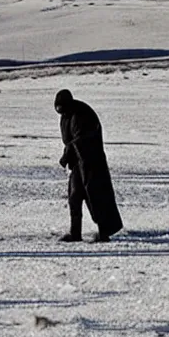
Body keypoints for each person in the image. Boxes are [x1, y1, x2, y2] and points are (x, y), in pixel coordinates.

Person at [54, 89, 123, 242]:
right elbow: (70, 140)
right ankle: (75, 233)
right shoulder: (67, 115)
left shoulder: (81, 114)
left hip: (92, 162)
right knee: (74, 196)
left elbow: (81, 140)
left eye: (61, 108)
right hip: (78, 163)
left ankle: (104, 232)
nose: (59, 111)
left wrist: (67, 155)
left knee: (96, 196)